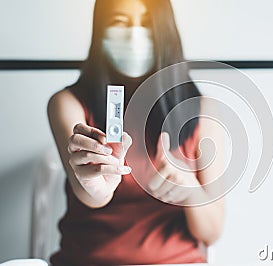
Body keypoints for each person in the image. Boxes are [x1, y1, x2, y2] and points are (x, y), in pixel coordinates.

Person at [47, 0, 225, 265]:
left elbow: (212, 232)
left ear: (164, 30)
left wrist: (189, 189)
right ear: (100, 30)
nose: (134, 34)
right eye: (120, 21)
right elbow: (89, 194)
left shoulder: (203, 110)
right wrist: (94, 183)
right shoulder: (68, 103)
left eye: (147, 23)